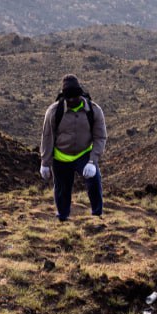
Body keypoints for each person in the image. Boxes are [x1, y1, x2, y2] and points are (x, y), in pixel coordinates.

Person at [39, 74, 107, 220]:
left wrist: (92, 161)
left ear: (80, 94)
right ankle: (63, 219)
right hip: (61, 157)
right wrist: (45, 162)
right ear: (63, 97)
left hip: (84, 155)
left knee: (94, 182)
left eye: (74, 97)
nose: (71, 101)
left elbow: (100, 137)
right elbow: (47, 137)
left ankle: (97, 216)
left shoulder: (94, 110)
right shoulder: (53, 112)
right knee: (62, 190)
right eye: (68, 98)